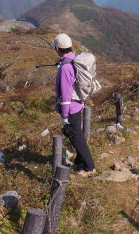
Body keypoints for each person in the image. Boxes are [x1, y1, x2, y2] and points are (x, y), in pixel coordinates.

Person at [52, 33, 96, 177]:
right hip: (78, 104)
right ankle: (79, 162)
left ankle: (89, 167)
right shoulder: (74, 60)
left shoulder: (65, 68)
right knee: (77, 135)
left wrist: (64, 116)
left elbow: (65, 95)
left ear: (57, 48)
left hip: (70, 107)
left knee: (76, 136)